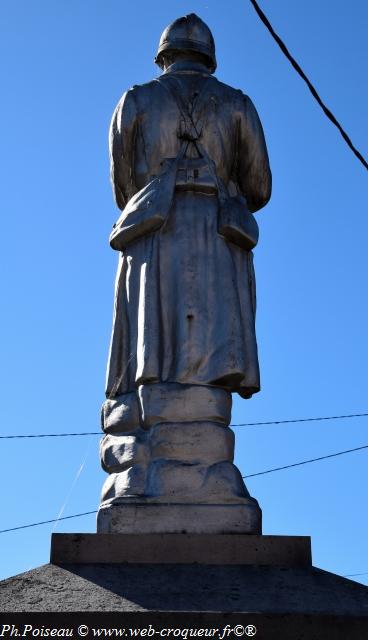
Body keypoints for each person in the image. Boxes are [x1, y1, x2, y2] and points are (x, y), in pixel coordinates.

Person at [98, 14, 271, 534]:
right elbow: (258, 186)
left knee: (153, 348)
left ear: (164, 56)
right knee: (210, 353)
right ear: (208, 57)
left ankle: (150, 453)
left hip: (154, 237)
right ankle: (201, 456)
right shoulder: (238, 104)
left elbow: (123, 185)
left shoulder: (135, 100)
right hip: (218, 239)